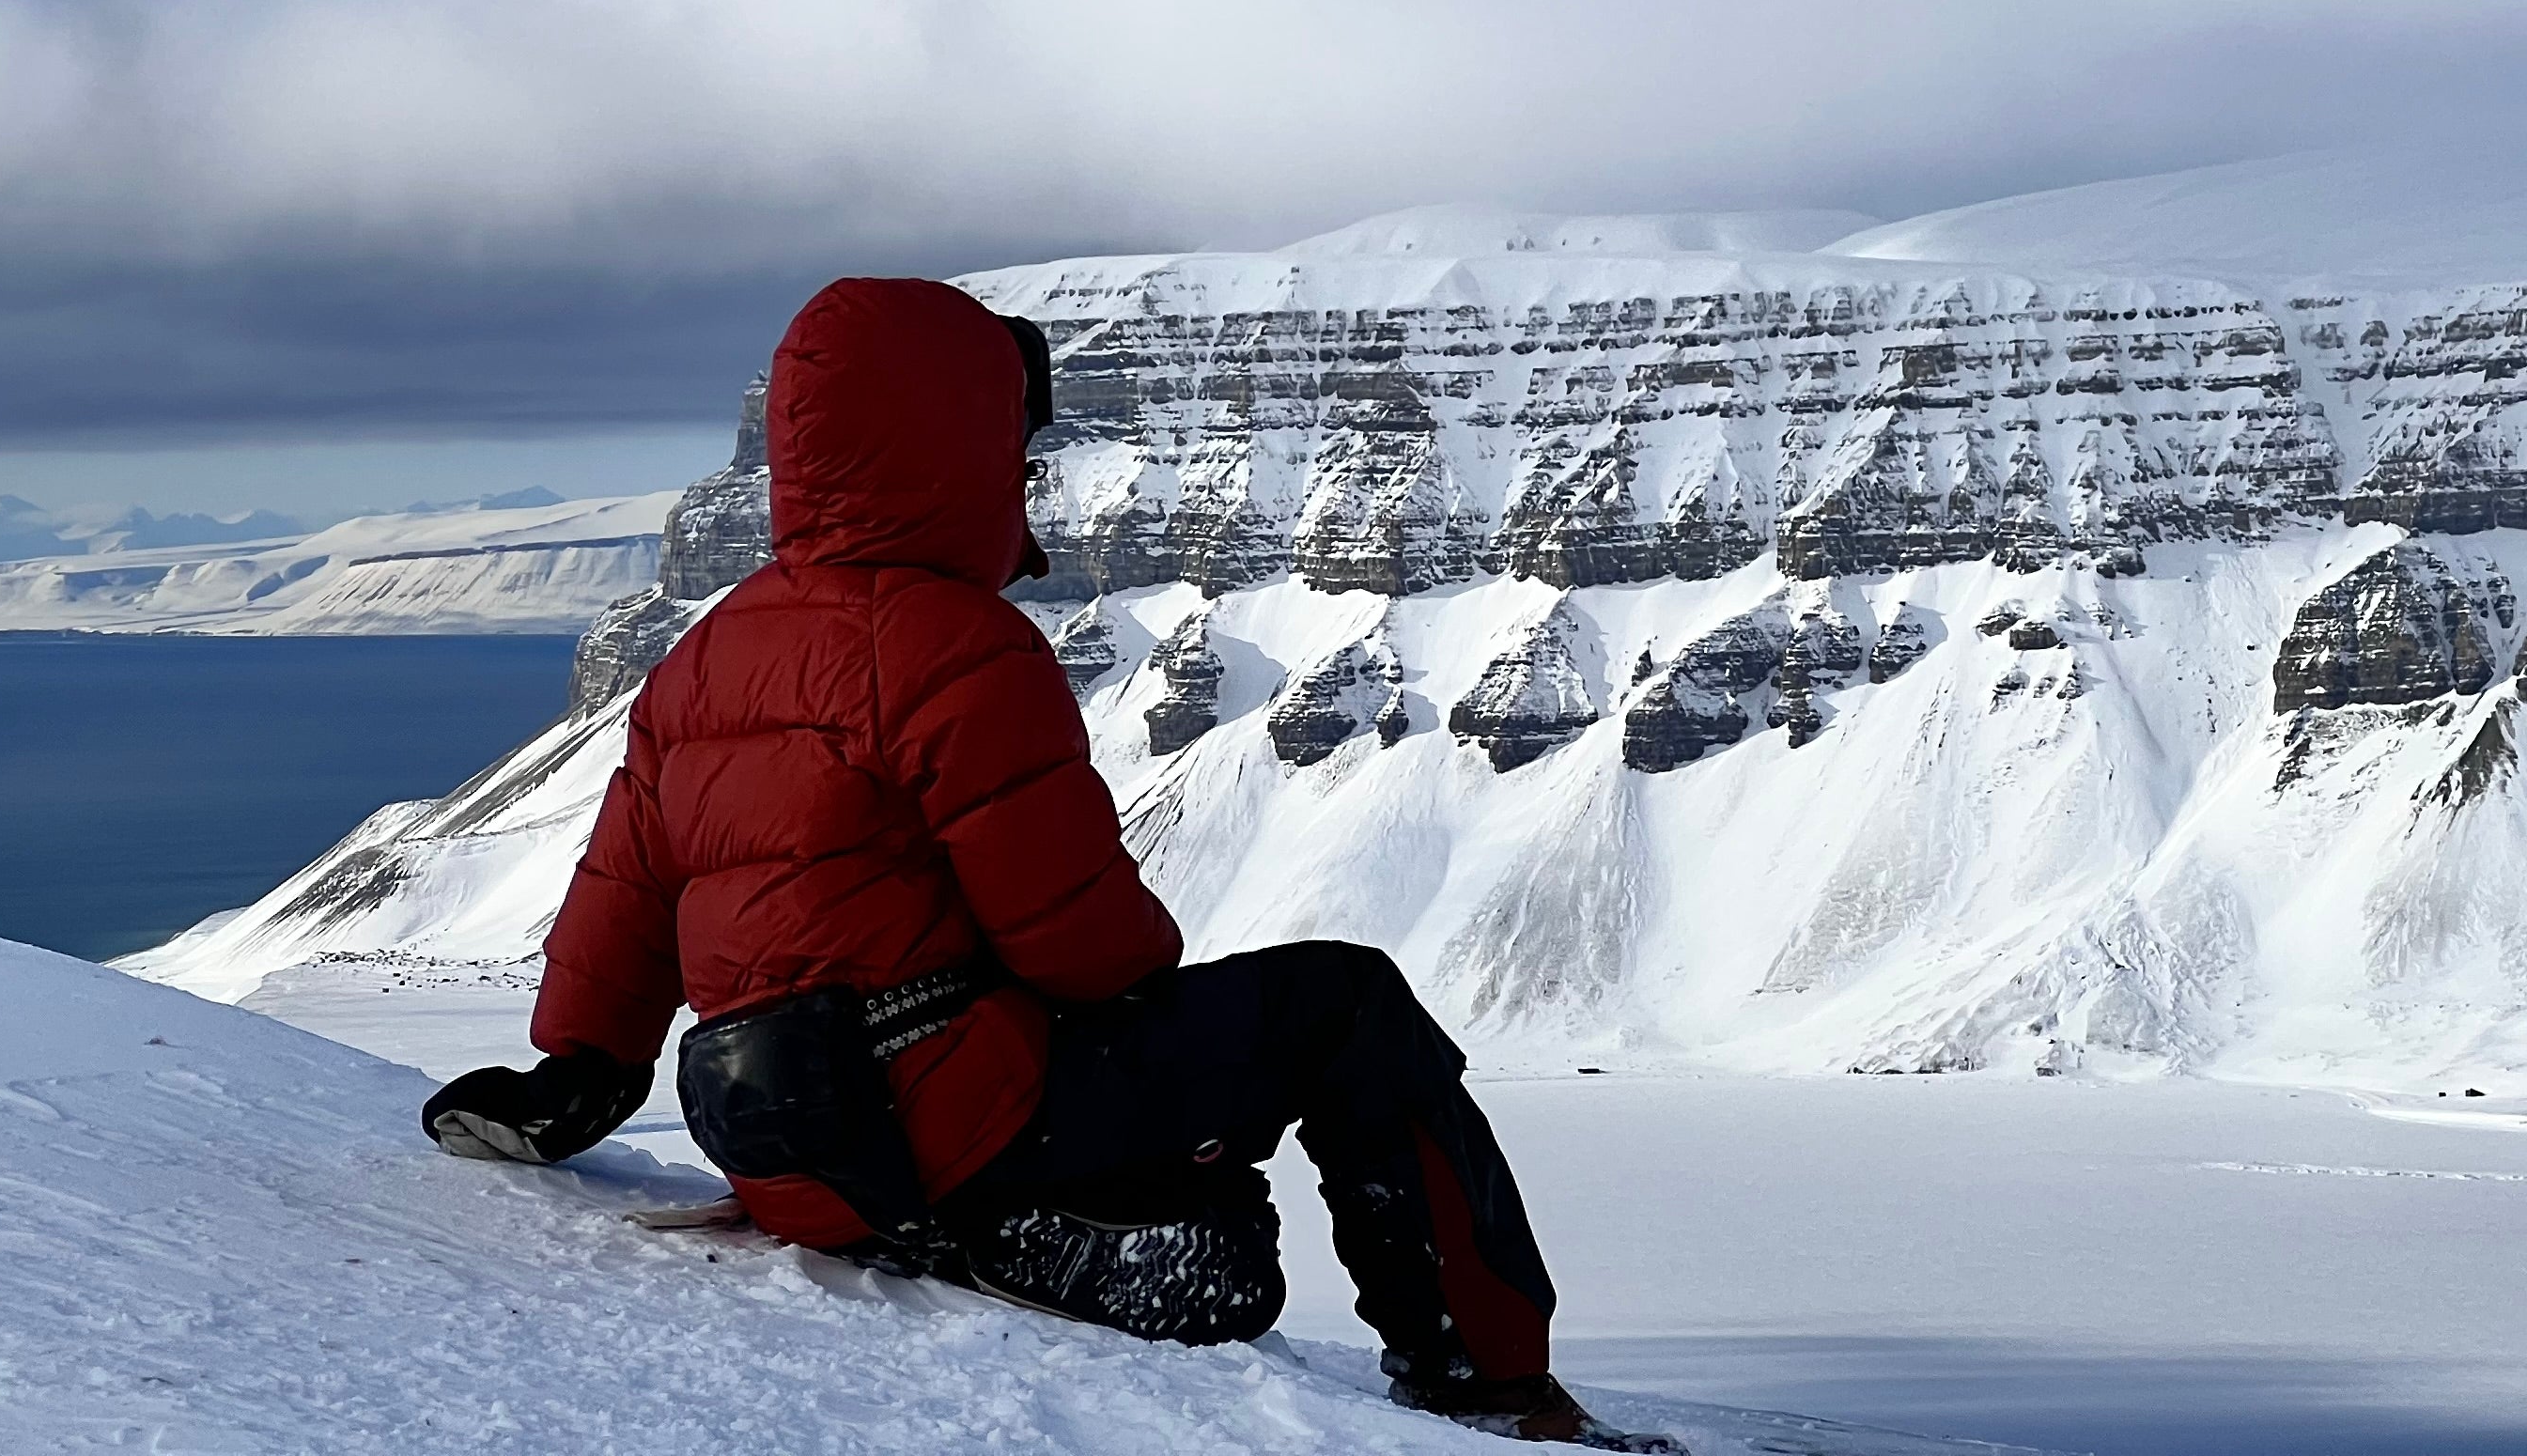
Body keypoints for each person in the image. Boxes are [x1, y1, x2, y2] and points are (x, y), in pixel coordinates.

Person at [419, 276, 1651, 1448]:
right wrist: (1171, 1041)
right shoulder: (957, 645)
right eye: (1012, 443)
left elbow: (625, 899)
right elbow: (1084, 947)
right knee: (1344, 1008)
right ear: (954, 448)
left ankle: (1058, 1219)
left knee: (1132, 1079)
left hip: (786, 1148)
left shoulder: (708, 657)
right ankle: (1487, 1382)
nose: (1029, 477)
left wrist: (573, 1078)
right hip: (952, 1127)